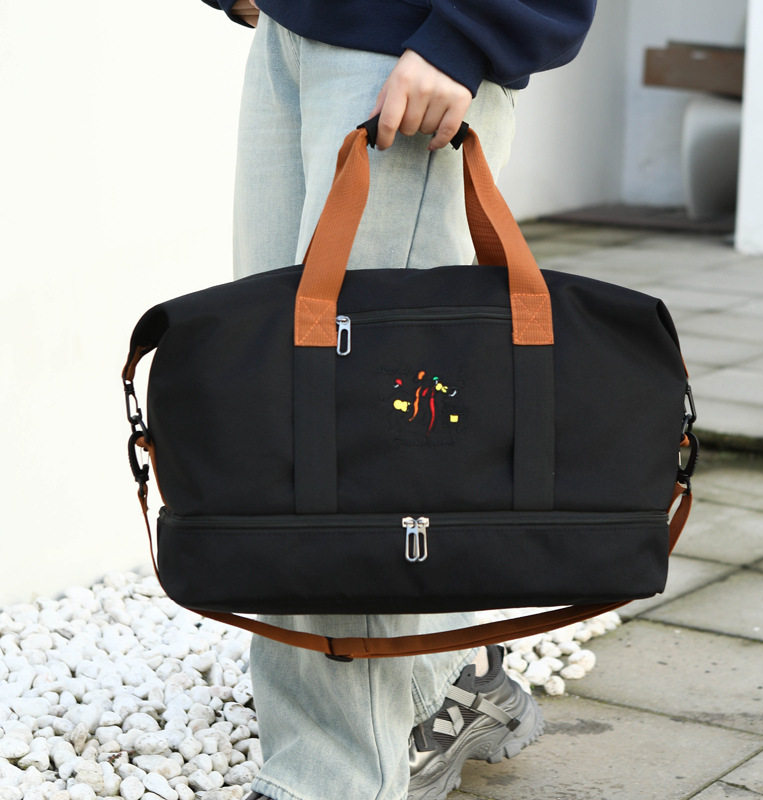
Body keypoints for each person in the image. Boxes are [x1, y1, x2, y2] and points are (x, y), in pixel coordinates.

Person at [199, 2, 596, 799]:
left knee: (353, 437)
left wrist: (471, 32)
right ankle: (451, 675)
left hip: (406, 49)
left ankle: (333, 777)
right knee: (283, 407)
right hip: (292, 31)